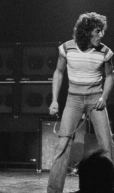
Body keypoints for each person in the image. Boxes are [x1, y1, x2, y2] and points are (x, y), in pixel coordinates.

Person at [47, 12, 114, 193]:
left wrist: (104, 97)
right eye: (98, 31)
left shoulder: (105, 52)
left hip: (95, 98)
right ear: (87, 32)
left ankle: (108, 188)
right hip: (73, 99)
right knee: (62, 144)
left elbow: (109, 76)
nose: (101, 35)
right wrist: (54, 100)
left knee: (106, 145)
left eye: (102, 31)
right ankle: (54, 191)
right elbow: (58, 73)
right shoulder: (67, 48)